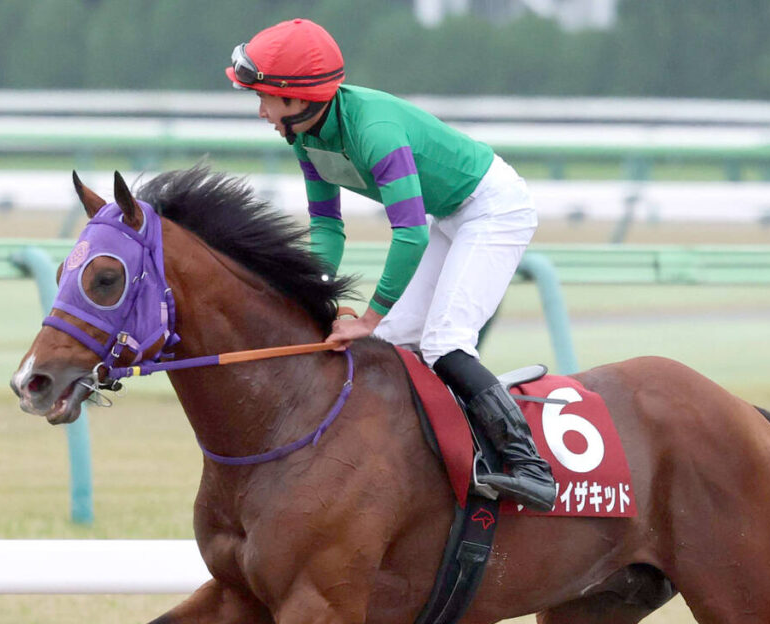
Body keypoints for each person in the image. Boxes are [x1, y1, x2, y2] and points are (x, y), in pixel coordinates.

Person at [226, 18, 555, 512]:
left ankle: (528, 465)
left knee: (444, 341)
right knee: (394, 344)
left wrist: (368, 317)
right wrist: (318, 296)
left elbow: (410, 234)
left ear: (296, 99)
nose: (261, 112)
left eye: (265, 98)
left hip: (493, 208)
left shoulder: (375, 132)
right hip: (449, 214)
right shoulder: (306, 137)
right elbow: (328, 227)